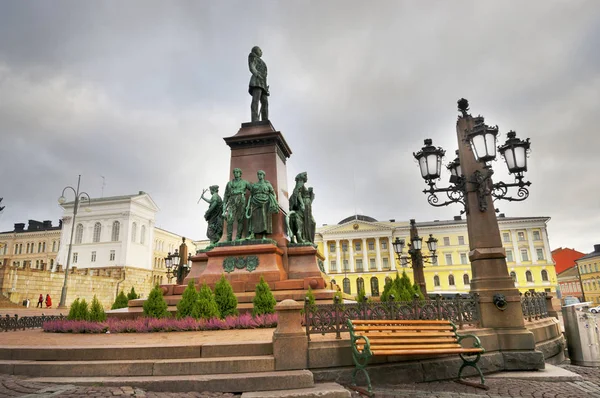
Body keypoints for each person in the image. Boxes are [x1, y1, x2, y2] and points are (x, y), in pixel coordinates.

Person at [246, 170, 278, 239]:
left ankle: (264, 234)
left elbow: (274, 194)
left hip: (265, 202)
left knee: (264, 218)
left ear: (264, 175)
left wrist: (272, 202)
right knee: (253, 218)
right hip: (255, 201)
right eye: (258, 174)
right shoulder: (254, 185)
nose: (259, 175)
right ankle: (252, 234)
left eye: (261, 174)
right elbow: (251, 195)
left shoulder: (267, 185)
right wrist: (248, 205)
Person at [222, 168, 252, 241]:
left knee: (240, 219)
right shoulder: (229, 184)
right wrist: (224, 207)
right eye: (235, 172)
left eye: (238, 172)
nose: (236, 173)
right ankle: (229, 238)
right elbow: (226, 196)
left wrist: (250, 201)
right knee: (229, 219)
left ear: (240, 173)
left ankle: (238, 237)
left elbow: (253, 190)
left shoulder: (245, 182)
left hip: (241, 199)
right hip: (231, 200)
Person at [248, 46, 269, 122]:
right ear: (255, 50)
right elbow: (252, 67)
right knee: (255, 100)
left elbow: (265, 75)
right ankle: (255, 119)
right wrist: (257, 74)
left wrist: (266, 87)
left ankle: (265, 119)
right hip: (256, 81)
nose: (261, 51)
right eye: (260, 50)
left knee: (265, 102)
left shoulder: (263, 62)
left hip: (263, 83)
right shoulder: (252, 56)